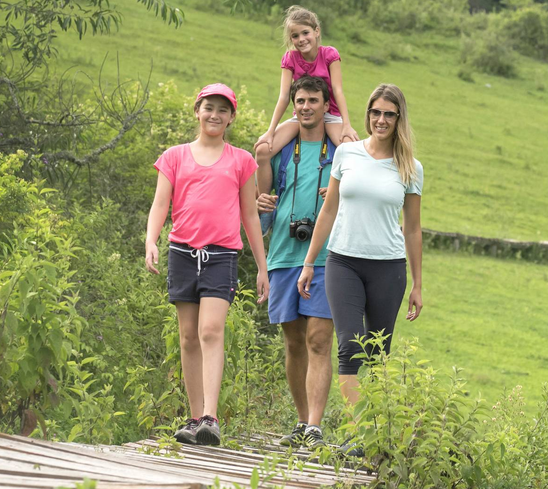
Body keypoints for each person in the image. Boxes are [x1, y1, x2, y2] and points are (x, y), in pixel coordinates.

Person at [298, 83, 423, 452]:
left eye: (389, 114)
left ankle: (378, 436)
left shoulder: (410, 167)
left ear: (399, 119)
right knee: (349, 345)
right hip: (343, 262)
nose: (381, 120)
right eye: (375, 112)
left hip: (388, 267)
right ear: (367, 114)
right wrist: (309, 264)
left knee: (379, 354)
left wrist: (418, 283)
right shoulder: (347, 154)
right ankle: (361, 436)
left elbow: (413, 228)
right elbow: (329, 210)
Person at [145, 83, 269, 447]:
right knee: (187, 337)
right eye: (208, 108)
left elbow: (250, 215)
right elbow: (159, 205)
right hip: (182, 253)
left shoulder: (241, 160)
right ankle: (194, 416)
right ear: (197, 111)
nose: (214, 115)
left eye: (222, 109)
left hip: (221, 256)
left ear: (231, 117)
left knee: (211, 331)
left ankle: (211, 419)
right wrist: (151, 240)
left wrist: (262, 267)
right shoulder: (174, 156)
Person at [256, 75, 337, 448]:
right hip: (284, 254)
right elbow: (263, 204)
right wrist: (260, 200)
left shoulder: (339, 152)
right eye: (300, 101)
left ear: (326, 105)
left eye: (313, 100)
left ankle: (316, 427)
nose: (306, 107)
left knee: (319, 339)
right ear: (294, 106)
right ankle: (302, 422)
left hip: (326, 257)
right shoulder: (281, 150)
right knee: (293, 343)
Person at [256, 6, 358, 161]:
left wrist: (346, 124)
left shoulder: (329, 54)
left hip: (330, 115)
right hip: (303, 115)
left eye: (305, 33)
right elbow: (284, 97)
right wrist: (270, 131)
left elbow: (338, 91)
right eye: (295, 36)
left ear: (316, 31)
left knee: (350, 150)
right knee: (263, 150)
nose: (301, 39)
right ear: (291, 39)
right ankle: (262, 186)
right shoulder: (290, 58)